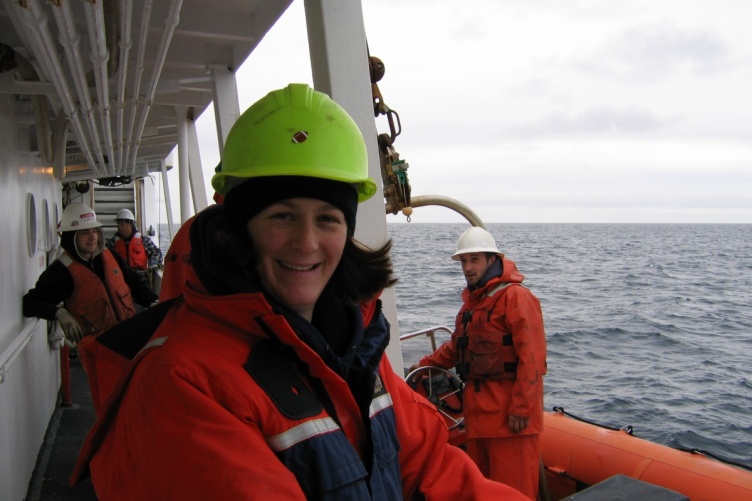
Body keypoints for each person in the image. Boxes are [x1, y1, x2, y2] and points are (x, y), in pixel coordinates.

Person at [70, 84, 529, 500]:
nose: (306, 243)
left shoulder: (352, 344)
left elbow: (432, 469)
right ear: (240, 229)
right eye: (282, 216)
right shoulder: (180, 383)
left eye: (328, 218)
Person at [409, 226, 547, 500]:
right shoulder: (473, 304)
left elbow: (532, 359)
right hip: (478, 421)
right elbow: (456, 348)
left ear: (492, 260)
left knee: (513, 494)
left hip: (510, 423)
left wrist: (521, 409)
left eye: (474, 260)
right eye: (464, 261)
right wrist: (421, 366)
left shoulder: (515, 297)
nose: (468, 267)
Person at [23, 203, 159, 345]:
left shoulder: (110, 256)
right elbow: (31, 303)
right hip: (99, 349)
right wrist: (59, 314)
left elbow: (135, 282)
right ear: (70, 236)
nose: (92, 237)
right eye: (84, 232)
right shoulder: (62, 271)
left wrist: (152, 300)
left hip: (130, 336)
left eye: (94, 231)